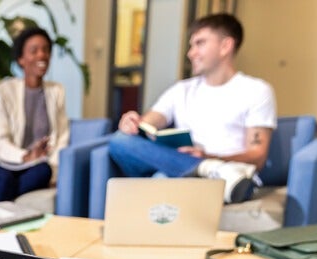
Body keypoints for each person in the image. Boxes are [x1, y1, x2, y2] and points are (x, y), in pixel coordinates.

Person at [108, 13, 276, 204]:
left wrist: (209, 156)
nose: (190, 53)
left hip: (232, 180)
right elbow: (150, 121)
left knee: (158, 185)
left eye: (200, 43)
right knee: (121, 141)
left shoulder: (256, 91)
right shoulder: (181, 90)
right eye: (191, 45)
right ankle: (205, 169)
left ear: (225, 46)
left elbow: (258, 156)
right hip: (183, 175)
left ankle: (209, 169)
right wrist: (133, 123)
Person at [0, 26, 70, 204]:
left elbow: (62, 137)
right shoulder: (3, 91)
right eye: (34, 50)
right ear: (21, 59)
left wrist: (42, 159)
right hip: (3, 161)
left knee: (44, 172)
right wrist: (25, 156)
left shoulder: (56, 91)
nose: (42, 55)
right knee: (2, 177)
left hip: (36, 166)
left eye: (46, 50)